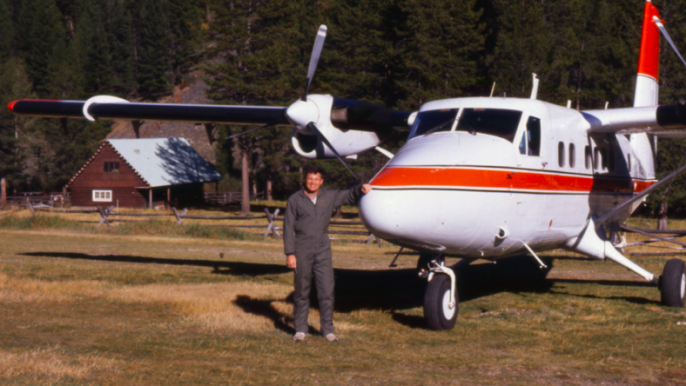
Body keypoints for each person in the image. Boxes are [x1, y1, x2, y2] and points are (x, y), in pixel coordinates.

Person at [283, 166, 372, 342]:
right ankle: (300, 330)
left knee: (326, 289)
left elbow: (347, 195)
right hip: (302, 247)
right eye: (310, 179)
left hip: (323, 248)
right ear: (305, 180)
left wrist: (361, 189)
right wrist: (290, 253)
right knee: (302, 290)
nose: (313, 182)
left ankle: (328, 330)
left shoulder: (328, 196)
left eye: (316, 179)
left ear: (321, 181)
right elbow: (287, 228)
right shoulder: (294, 200)